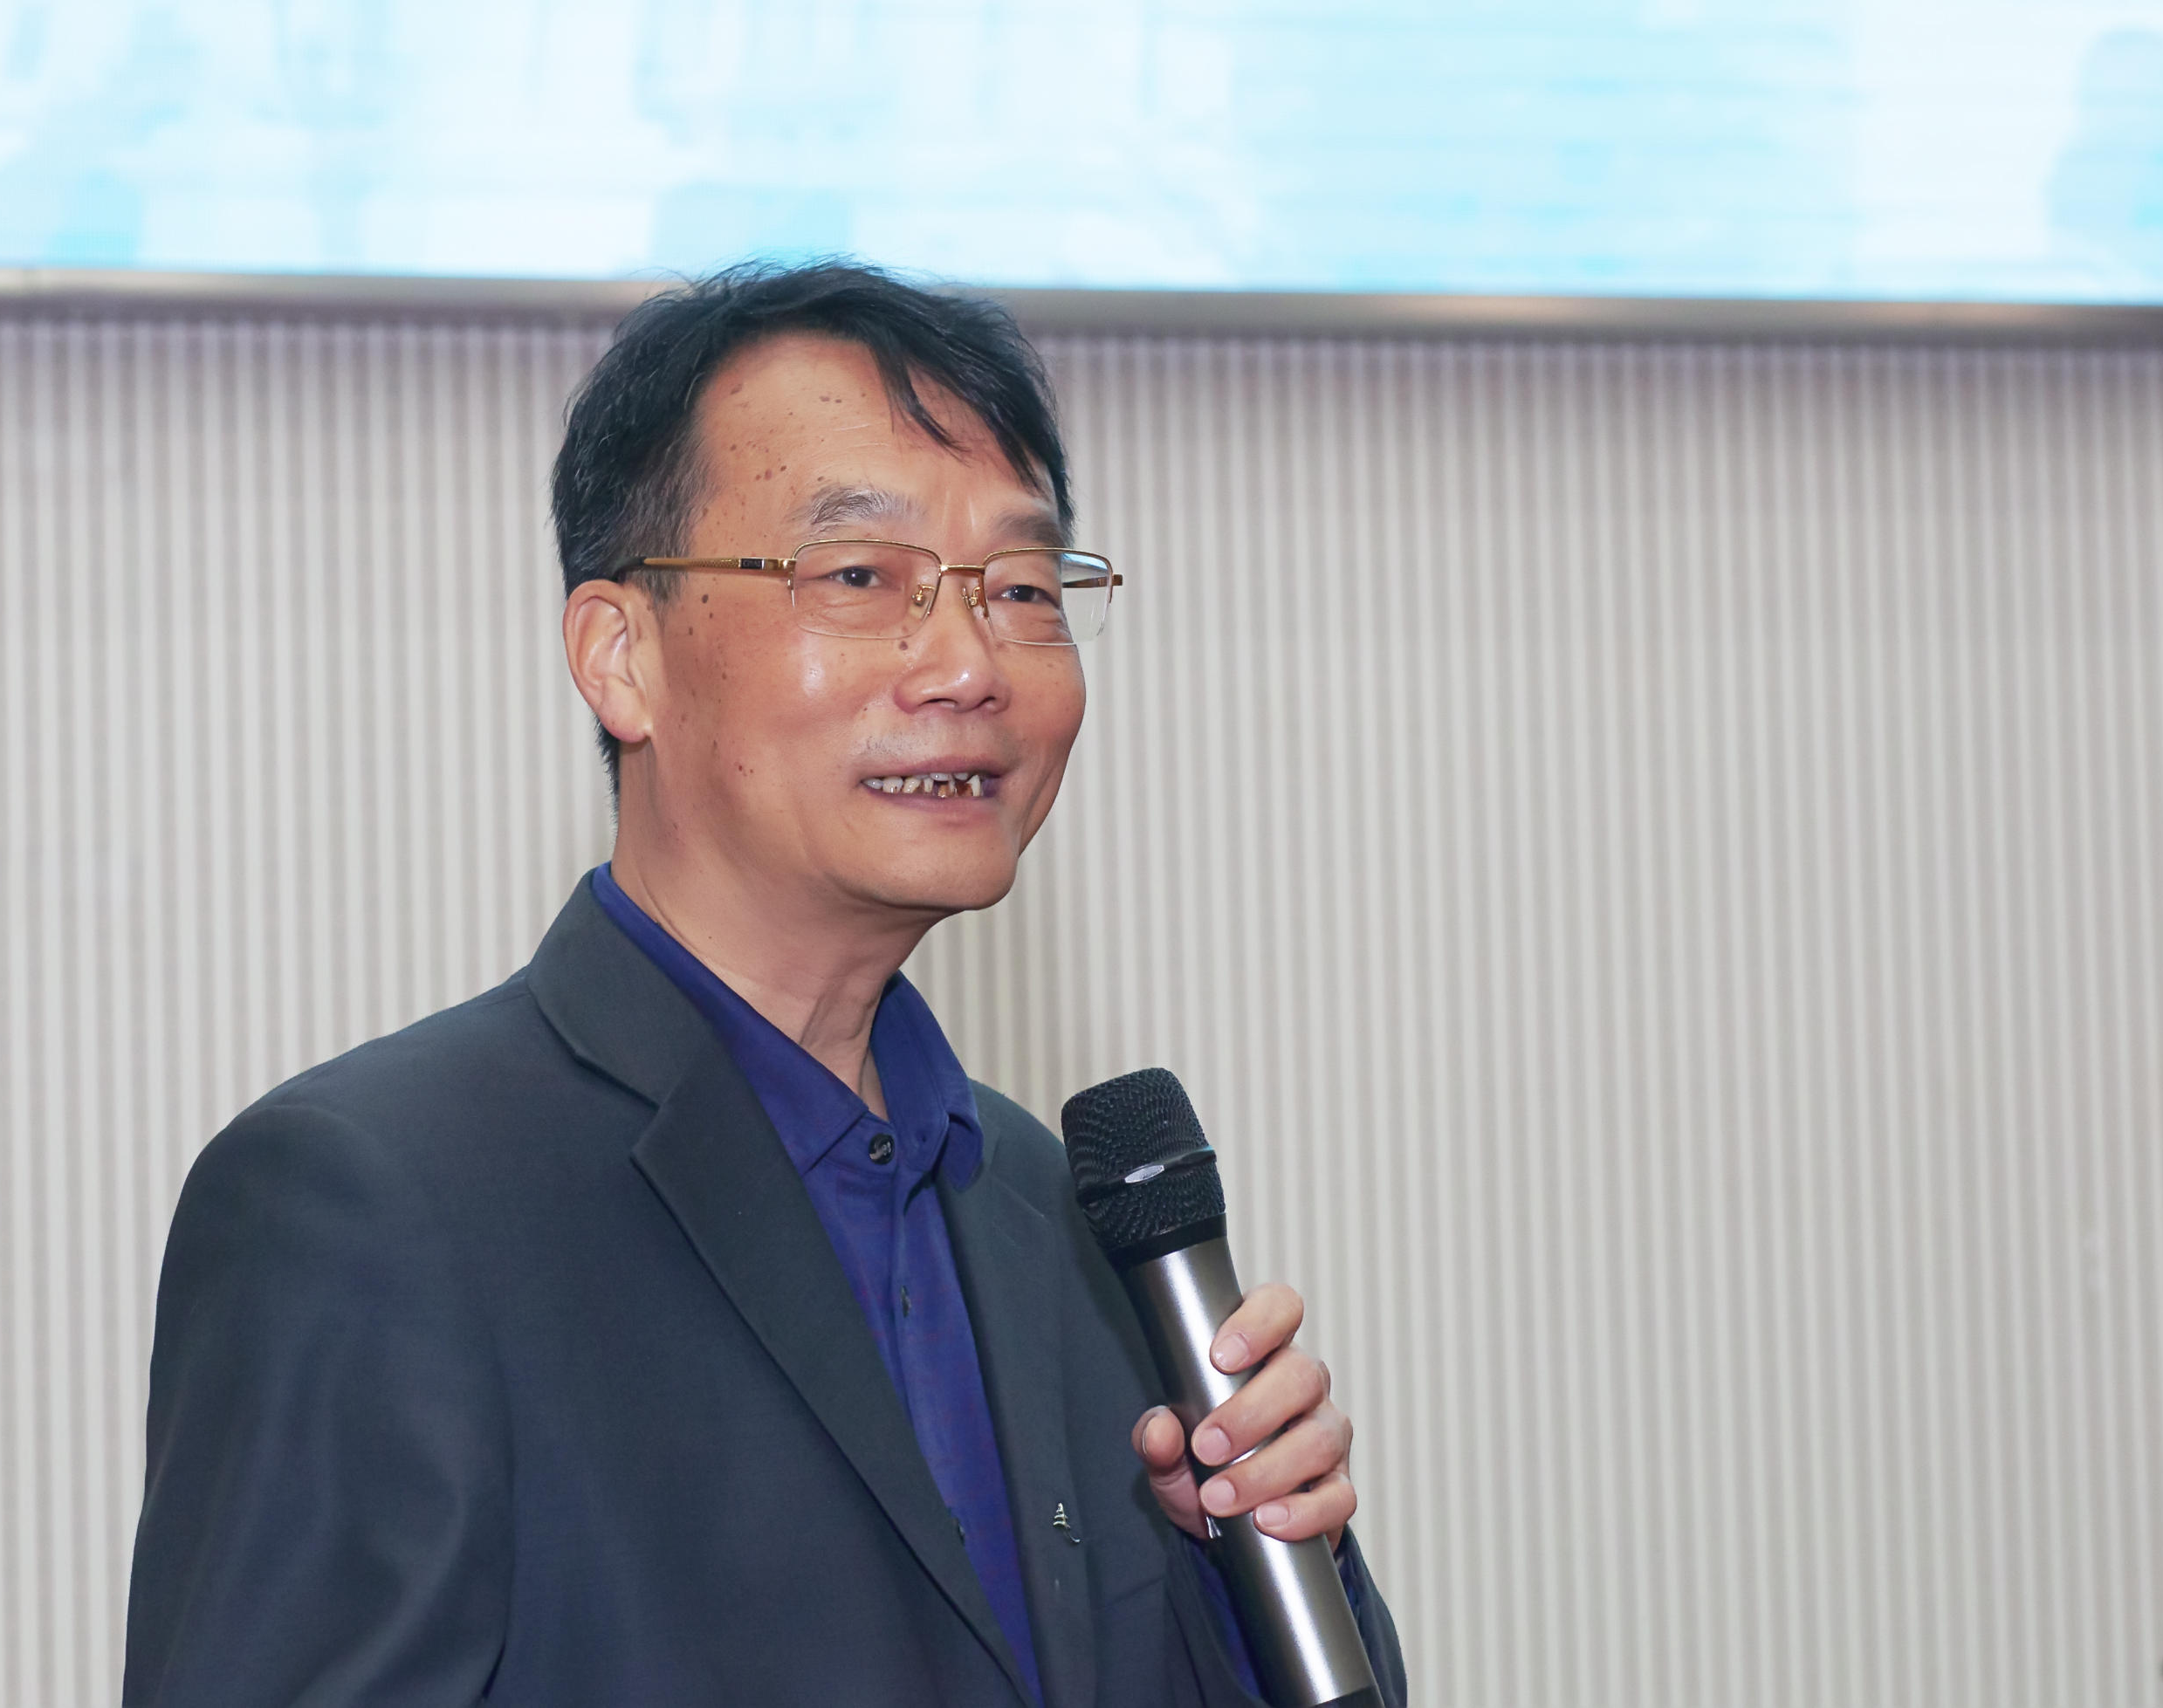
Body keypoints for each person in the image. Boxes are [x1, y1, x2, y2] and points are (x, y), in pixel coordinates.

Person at [123, 260, 1408, 1707]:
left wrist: (1254, 1572)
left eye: (1021, 588)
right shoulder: (379, 1207)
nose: (968, 663)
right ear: (621, 656)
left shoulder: (1067, 1217)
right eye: (859, 577)